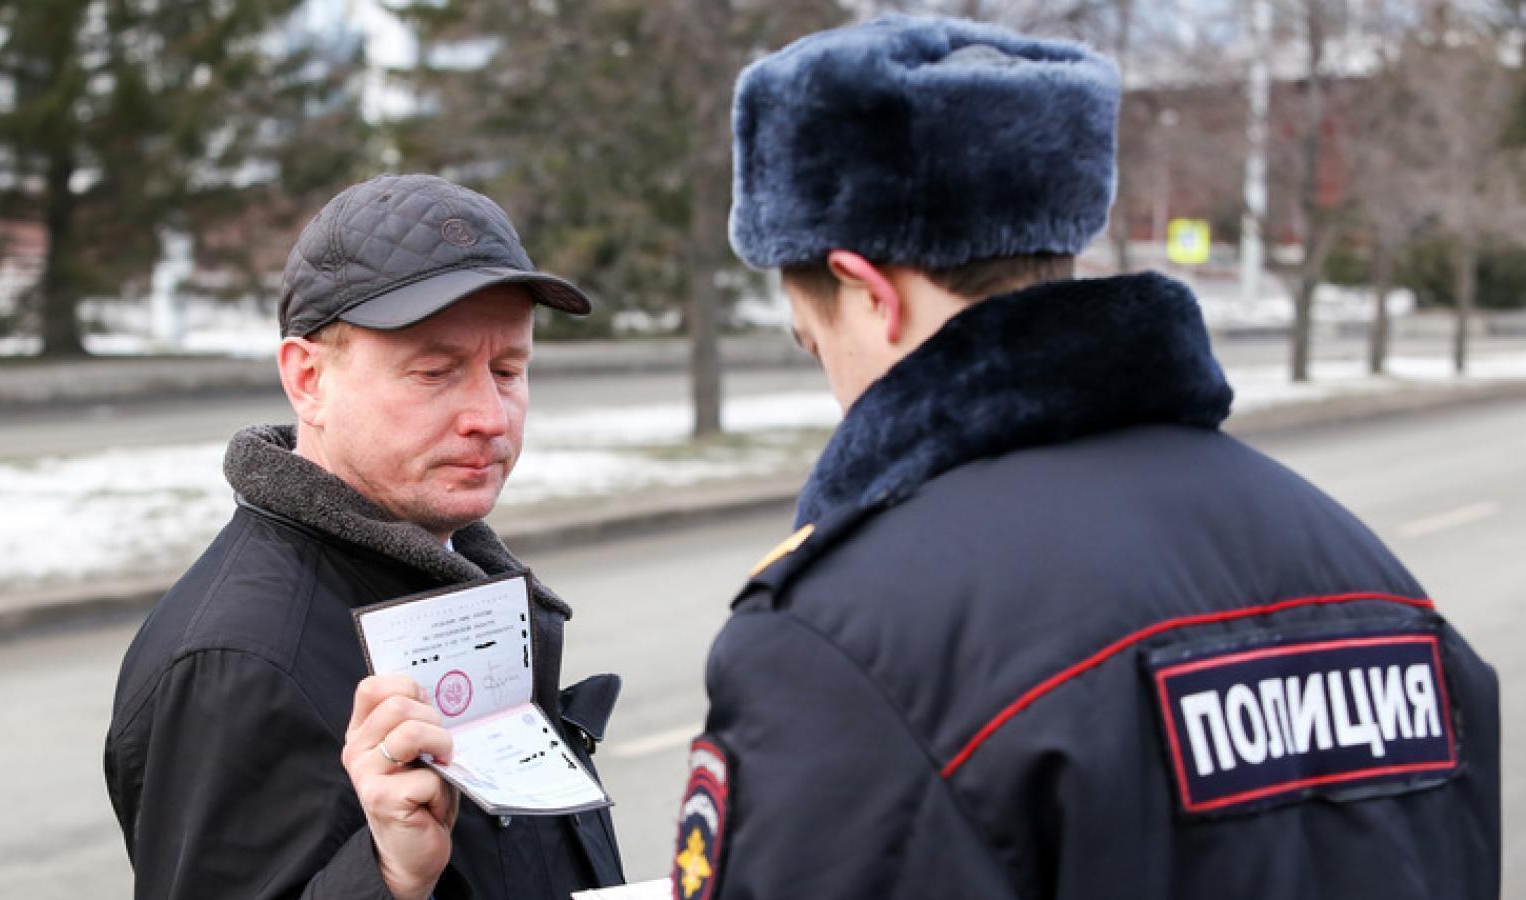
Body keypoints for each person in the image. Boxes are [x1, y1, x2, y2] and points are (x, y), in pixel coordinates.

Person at [670, 15, 1499, 900]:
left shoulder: (845, 641)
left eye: (813, 341)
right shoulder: (1377, 586)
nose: (835, 391)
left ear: (871, 296)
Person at [105, 173, 625, 900]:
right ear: (307, 378)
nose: (488, 414)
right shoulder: (237, 663)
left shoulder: (454, 579)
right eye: (435, 372)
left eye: (508, 369)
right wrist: (387, 879)